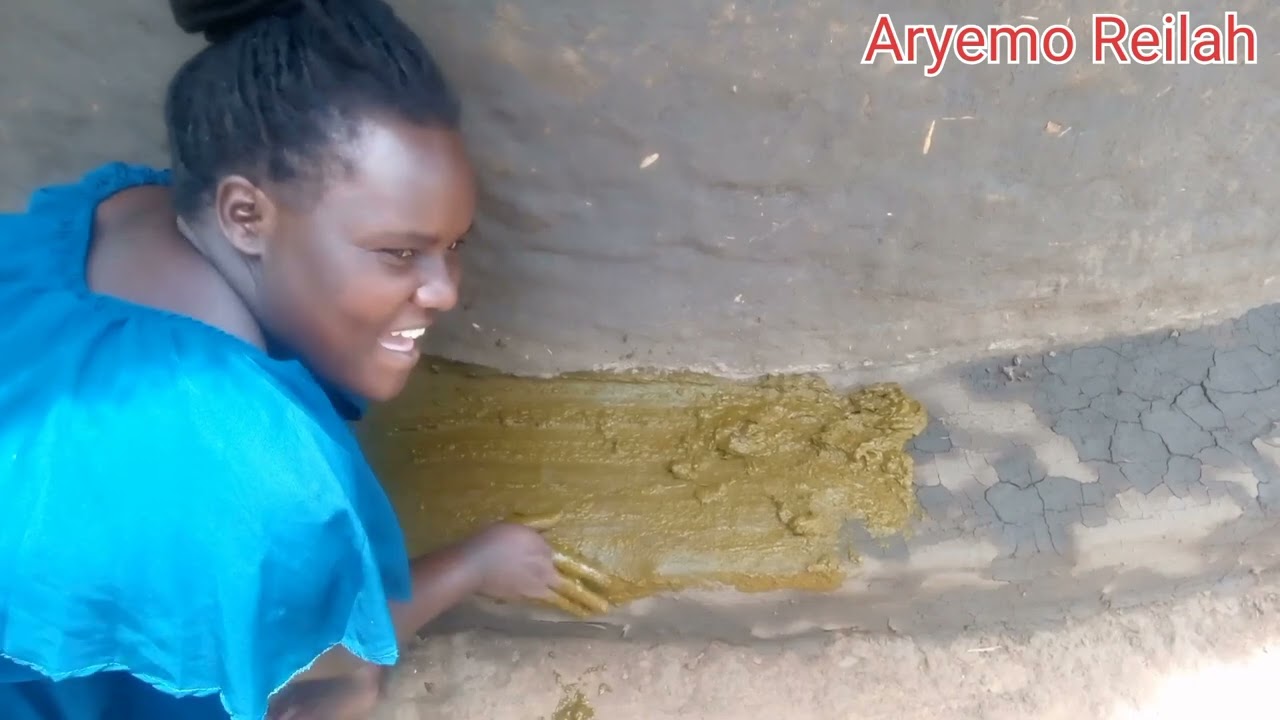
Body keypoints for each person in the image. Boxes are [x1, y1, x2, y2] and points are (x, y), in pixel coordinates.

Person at [0, 0, 609, 718]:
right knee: (343, 689)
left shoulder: (122, 210)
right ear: (244, 215)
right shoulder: (235, 461)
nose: (445, 291)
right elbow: (310, 651)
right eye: (398, 252)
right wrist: (477, 564)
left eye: (454, 246)